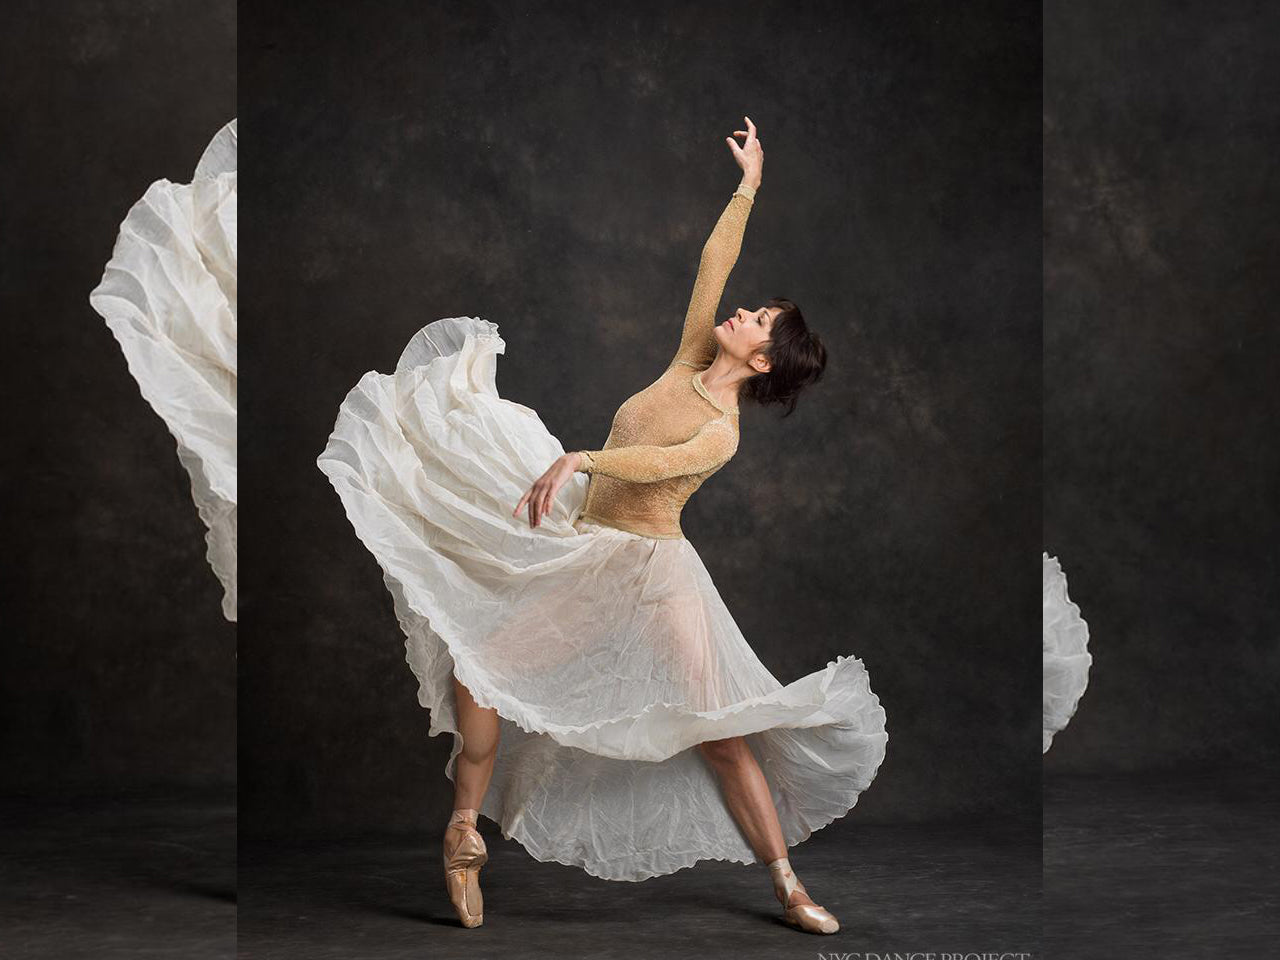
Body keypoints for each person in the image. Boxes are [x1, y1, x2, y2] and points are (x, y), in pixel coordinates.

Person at [318, 116, 888, 936]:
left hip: (658, 581)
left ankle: (789, 886)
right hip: (589, 560)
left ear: (763, 362)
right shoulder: (690, 358)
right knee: (481, 672)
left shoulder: (721, 431)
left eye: (758, 319)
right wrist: (748, 185)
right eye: (753, 307)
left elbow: (656, 468)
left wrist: (582, 459)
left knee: (722, 736)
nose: (739, 310)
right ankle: (461, 835)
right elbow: (712, 262)